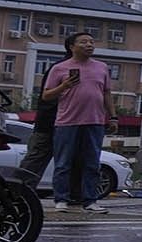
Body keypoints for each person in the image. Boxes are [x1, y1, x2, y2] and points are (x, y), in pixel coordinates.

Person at [42, 31, 117, 214]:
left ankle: (90, 200)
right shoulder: (59, 68)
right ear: (71, 46)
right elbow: (46, 95)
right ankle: (61, 199)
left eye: (91, 42)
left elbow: (106, 93)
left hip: (95, 121)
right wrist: (64, 86)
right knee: (63, 163)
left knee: (92, 163)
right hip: (67, 121)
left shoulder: (101, 67)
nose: (89, 45)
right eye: (83, 42)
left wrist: (113, 116)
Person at [14, 92, 57, 193]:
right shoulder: (56, 77)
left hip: (51, 125)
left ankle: (19, 193)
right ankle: (18, 193)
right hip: (47, 126)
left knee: (34, 163)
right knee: (33, 164)